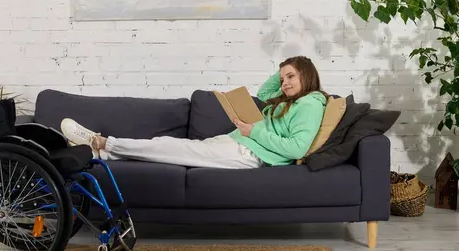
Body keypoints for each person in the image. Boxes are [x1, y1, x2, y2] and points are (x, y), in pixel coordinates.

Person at [60, 56, 328, 169]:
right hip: (239, 141)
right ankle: (98, 154)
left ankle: (102, 142)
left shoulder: (311, 104)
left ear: (307, 75)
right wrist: (286, 67)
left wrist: (253, 130)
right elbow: (266, 91)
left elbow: (296, 149)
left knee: (169, 148)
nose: (284, 84)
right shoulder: (290, 99)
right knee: (166, 148)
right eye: (283, 79)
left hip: (250, 152)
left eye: (291, 77)